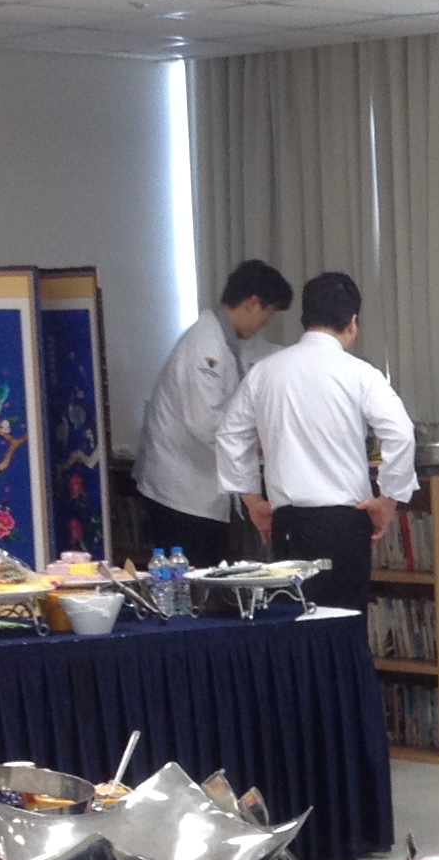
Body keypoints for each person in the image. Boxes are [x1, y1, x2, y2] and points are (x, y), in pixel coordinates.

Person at [214, 269, 414, 614]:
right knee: (344, 625)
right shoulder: (360, 373)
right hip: (345, 523)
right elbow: (401, 433)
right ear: (353, 322)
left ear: (304, 319)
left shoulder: (265, 372)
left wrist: (252, 500)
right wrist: (388, 500)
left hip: (288, 522)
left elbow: (230, 435)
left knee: (297, 624)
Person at [130, 259, 291, 564]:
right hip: (181, 493)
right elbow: (206, 423)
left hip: (197, 487)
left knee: (204, 573)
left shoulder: (226, 340)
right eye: (267, 314)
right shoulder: (205, 348)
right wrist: (258, 442)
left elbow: (267, 356)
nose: (265, 323)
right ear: (252, 303)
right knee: (187, 578)